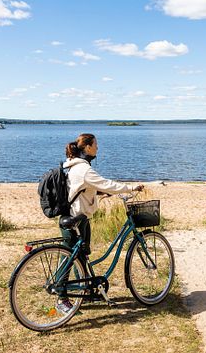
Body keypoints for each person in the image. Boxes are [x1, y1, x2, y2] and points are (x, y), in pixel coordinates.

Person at [57, 133, 142, 312]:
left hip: (81, 218)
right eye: (95, 144)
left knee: (80, 257)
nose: (97, 148)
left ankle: (85, 290)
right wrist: (131, 187)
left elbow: (82, 189)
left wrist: (99, 194)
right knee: (69, 259)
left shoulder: (75, 167)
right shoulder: (84, 169)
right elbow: (106, 183)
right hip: (76, 221)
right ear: (87, 147)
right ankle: (61, 298)